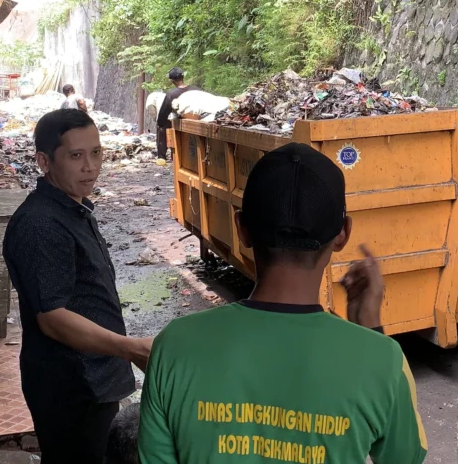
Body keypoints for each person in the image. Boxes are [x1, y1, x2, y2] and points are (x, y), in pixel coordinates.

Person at [138, 143, 428, 464]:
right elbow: (406, 457)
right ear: (343, 233)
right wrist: (371, 331)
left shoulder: (174, 348)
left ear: (241, 228)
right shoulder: (382, 361)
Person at [3, 109, 153, 464]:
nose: (91, 166)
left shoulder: (74, 208)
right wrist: (130, 348)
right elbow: (53, 318)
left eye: (97, 152)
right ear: (44, 161)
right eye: (76, 156)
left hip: (94, 377)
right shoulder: (41, 224)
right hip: (70, 385)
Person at [155, 67, 194, 162]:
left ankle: (162, 156)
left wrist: (160, 123)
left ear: (172, 80)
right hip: (196, 119)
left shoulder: (171, 94)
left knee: (162, 126)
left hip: (181, 122)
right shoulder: (196, 90)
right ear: (183, 77)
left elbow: (163, 113)